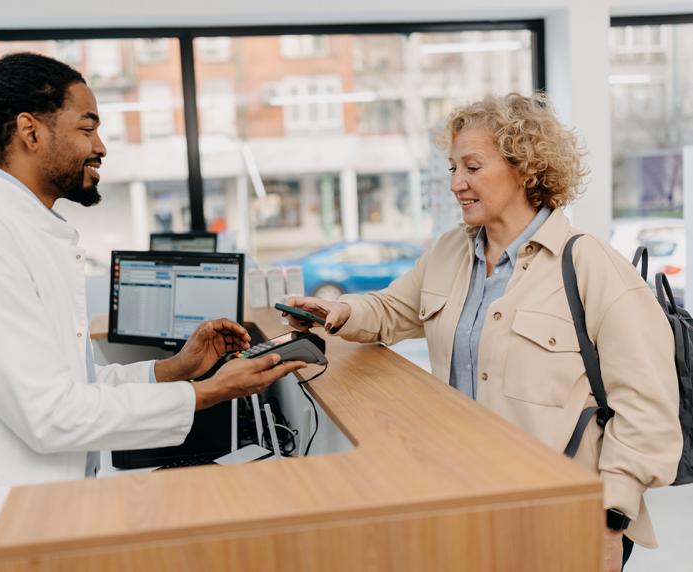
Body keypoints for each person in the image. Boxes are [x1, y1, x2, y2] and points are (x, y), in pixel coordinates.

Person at [0, 48, 306, 572]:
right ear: (31, 131)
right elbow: (50, 415)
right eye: (87, 128)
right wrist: (209, 392)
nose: (101, 147)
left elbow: (72, 389)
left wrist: (174, 370)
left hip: (34, 510)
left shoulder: (22, 232)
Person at [284, 93, 681, 572]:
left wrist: (609, 519)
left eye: (471, 167)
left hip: (564, 509)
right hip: (473, 495)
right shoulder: (452, 250)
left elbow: (648, 409)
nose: (456, 184)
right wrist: (339, 310)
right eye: (452, 169)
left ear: (525, 168)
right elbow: (392, 308)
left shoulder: (591, 265)